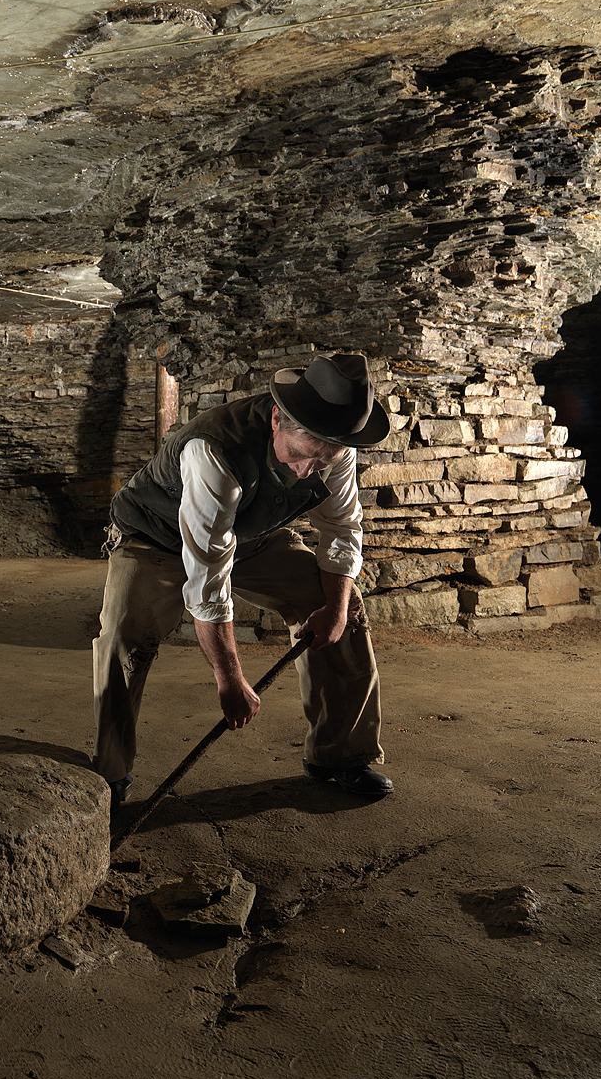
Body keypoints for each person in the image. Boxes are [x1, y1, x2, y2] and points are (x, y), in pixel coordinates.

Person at [93, 352, 392, 835]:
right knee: (125, 636)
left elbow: (340, 529)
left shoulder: (334, 449)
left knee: (344, 608)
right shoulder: (214, 450)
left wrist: (334, 607)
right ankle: (109, 775)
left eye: (322, 459)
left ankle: (341, 755)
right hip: (159, 537)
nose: (305, 470)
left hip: (253, 535)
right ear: (277, 419)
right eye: (299, 453)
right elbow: (207, 578)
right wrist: (229, 678)